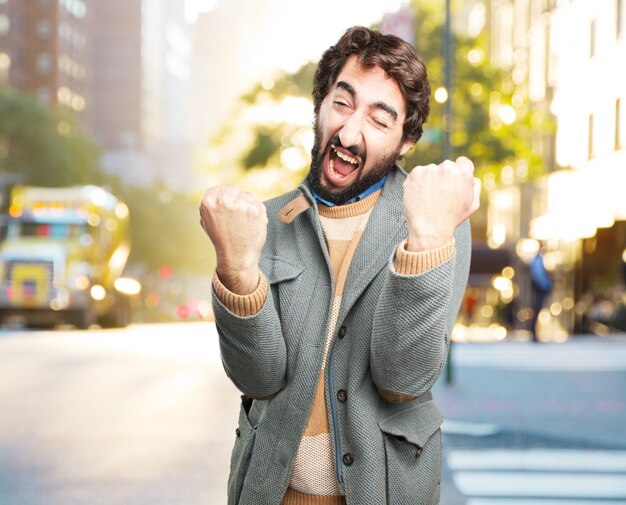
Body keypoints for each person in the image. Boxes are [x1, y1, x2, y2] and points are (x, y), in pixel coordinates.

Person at [199, 26, 480, 505]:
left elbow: (402, 380)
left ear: (406, 140)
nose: (349, 132)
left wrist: (429, 241)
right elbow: (258, 378)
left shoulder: (435, 221)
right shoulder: (265, 223)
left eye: (379, 118)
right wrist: (235, 268)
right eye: (342, 103)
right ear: (319, 105)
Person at [529, 249, 553, 342]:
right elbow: (538, 276)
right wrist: (547, 285)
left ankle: (534, 332)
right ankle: (533, 332)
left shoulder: (538, 260)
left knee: (537, 310)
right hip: (540, 289)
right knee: (537, 310)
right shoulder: (538, 260)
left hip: (540, 288)